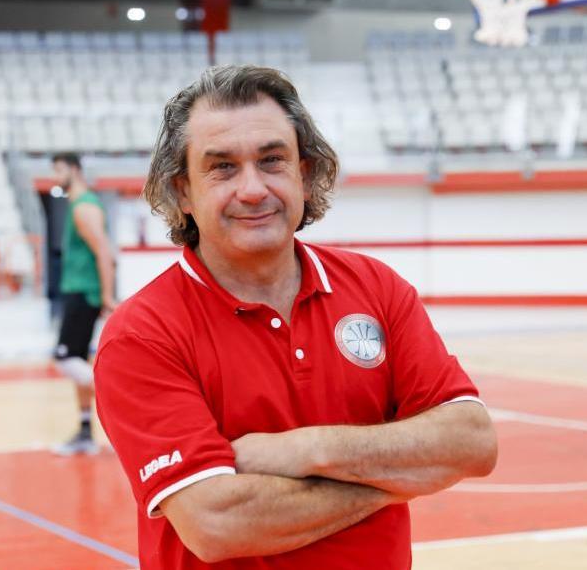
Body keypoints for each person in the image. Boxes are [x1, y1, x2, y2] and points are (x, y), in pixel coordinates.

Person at [94, 66, 498, 568]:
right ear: (182, 192)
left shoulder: (376, 288)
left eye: (272, 160)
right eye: (222, 167)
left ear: (304, 175)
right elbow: (217, 523)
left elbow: (472, 442)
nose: (253, 189)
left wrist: (307, 449)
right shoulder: (142, 334)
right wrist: (395, 480)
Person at [49, 152, 117, 456]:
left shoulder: (84, 207)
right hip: (78, 290)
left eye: (59, 170)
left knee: (64, 359)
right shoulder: (78, 205)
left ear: (75, 170)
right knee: (77, 360)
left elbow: (104, 252)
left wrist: (105, 295)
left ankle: (121, 395)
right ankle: (86, 432)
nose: (55, 177)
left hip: (83, 291)